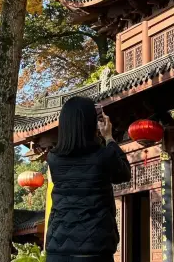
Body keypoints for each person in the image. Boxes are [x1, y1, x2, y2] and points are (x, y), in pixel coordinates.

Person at [45, 95, 131, 262]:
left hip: (58, 249)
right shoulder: (102, 157)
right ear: (91, 124)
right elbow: (124, 173)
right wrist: (108, 137)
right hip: (95, 249)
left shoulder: (53, 159)